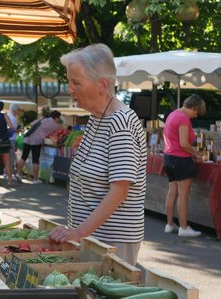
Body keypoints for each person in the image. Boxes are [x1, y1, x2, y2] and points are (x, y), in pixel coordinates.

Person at [49, 44, 147, 266]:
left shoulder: (121, 122)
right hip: (93, 238)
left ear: (102, 85)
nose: (70, 89)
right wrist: (78, 232)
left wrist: (79, 232)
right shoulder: (96, 118)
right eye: (69, 82)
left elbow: (119, 190)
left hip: (112, 242)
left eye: (76, 83)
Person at [162, 94, 206, 238]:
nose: (195, 116)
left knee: (172, 192)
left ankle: (169, 225)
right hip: (180, 159)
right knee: (183, 195)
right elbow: (184, 144)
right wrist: (197, 154)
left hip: (168, 157)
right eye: (196, 112)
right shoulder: (183, 118)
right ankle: (184, 227)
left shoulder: (173, 114)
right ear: (193, 107)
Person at [15, 110, 62, 184]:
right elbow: (52, 135)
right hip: (37, 141)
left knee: (23, 157)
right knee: (35, 160)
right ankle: (35, 179)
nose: (58, 119)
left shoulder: (43, 118)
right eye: (58, 118)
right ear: (56, 117)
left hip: (28, 138)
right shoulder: (55, 125)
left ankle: (18, 174)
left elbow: (31, 124)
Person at [7, 104, 21, 181]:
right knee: (11, 157)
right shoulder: (13, 118)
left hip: (8, 139)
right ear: (15, 110)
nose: (19, 111)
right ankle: (10, 174)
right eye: (18, 109)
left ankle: (7, 173)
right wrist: (18, 130)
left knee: (8, 157)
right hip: (11, 138)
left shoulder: (9, 116)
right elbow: (11, 129)